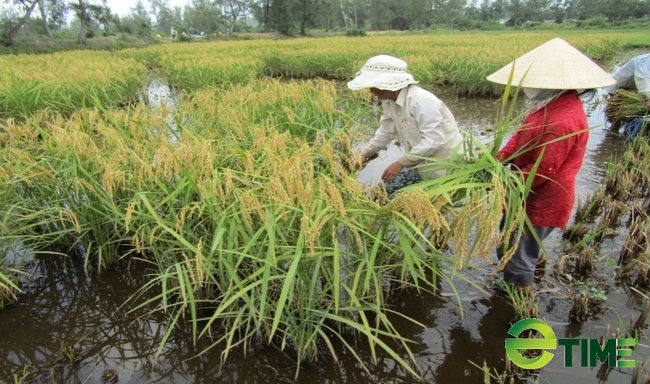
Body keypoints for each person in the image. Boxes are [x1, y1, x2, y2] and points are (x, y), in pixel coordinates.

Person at [486, 38, 616, 292]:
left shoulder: (560, 120)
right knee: (510, 246)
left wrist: (500, 182)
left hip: (541, 199)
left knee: (518, 257)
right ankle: (510, 292)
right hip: (524, 195)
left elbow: (544, 169)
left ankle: (521, 310)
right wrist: (497, 160)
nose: (529, 86)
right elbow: (520, 139)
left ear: (554, 83)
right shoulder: (549, 105)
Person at [348, 55, 464, 194]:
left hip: (442, 167)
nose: (371, 92)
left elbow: (434, 140)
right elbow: (387, 131)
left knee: (431, 208)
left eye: (373, 86)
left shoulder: (422, 101)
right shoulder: (389, 101)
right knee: (380, 194)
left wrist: (400, 163)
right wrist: (365, 154)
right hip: (417, 163)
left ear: (385, 84)